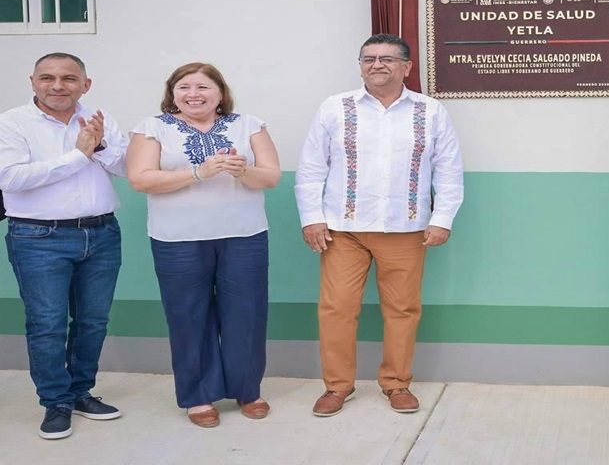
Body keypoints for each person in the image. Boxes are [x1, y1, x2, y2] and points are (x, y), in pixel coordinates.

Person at [296, 33, 464, 416]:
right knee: (336, 308)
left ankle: (396, 383)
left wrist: (442, 219)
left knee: (402, 309)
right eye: (369, 58)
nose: (377, 65)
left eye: (387, 59)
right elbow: (310, 168)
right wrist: (312, 218)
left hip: (407, 230)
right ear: (360, 66)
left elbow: (449, 171)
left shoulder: (430, 111)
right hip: (342, 229)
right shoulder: (334, 108)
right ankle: (337, 387)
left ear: (406, 67)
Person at [125, 63, 281, 428]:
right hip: (177, 239)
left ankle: (247, 389)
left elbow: (271, 176)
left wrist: (243, 171)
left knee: (247, 313)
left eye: (203, 87)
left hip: (244, 235)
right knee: (188, 316)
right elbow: (140, 179)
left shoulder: (249, 125)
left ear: (220, 93)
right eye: (184, 87)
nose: (193, 94)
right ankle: (198, 396)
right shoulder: (152, 127)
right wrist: (198, 173)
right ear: (172, 93)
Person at [0, 53, 128, 439]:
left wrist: (101, 143)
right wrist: (79, 155)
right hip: (38, 238)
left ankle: (80, 392)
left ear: (85, 85)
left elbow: (126, 167)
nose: (58, 85)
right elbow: (12, 178)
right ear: (33, 81)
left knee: (93, 321)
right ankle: (55, 402)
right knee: (48, 324)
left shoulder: (98, 119)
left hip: (102, 234)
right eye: (48, 78)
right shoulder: (11, 123)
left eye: (69, 78)